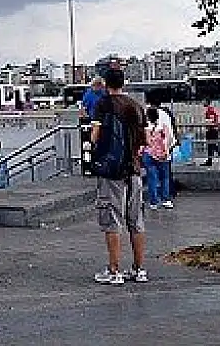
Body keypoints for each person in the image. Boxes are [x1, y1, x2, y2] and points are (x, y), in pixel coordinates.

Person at [90, 69, 148, 286]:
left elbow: (95, 136)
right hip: (134, 169)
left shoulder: (103, 104)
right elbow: (144, 139)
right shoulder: (136, 105)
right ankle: (139, 269)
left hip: (112, 170)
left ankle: (114, 270)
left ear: (106, 84)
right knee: (136, 220)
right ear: (124, 83)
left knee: (112, 218)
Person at [142, 107, 174, 210]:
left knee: (152, 178)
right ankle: (166, 200)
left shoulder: (147, 127)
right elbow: (169, 139)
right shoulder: (163, 126)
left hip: (149, 154)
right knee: (165, 178)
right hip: (163, 155)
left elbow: (147, 141)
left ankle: (154, 202)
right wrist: (165, 150)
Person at [202, 101, 220, 167]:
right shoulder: (211, 109)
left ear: (207, 102)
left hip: (212, 130)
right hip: (212, 129)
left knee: (212, 146)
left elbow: (211, 121)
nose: (203, 103)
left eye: (204, 102)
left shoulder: (210, 110)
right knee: (210, 146)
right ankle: (210, 160)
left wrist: (207, 125)